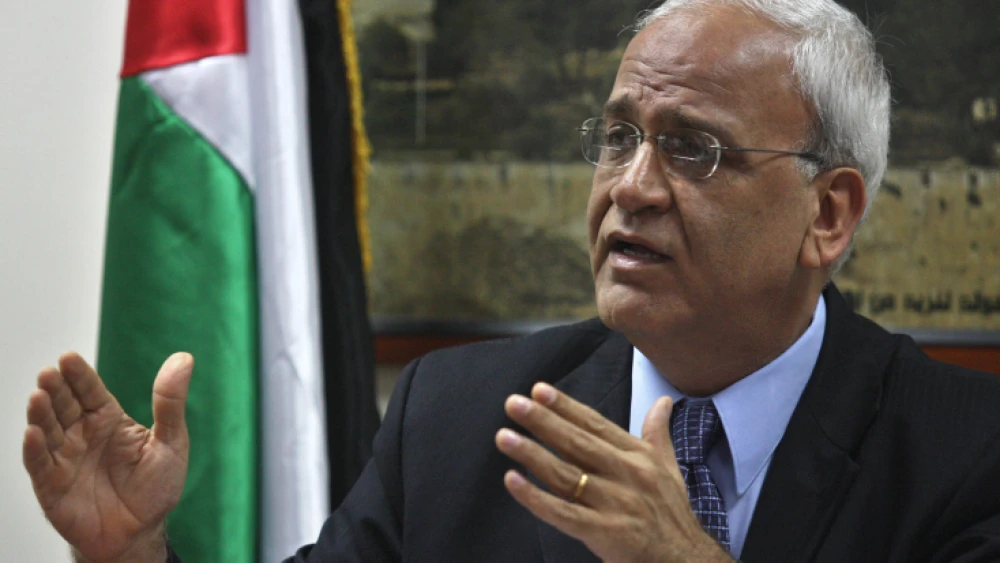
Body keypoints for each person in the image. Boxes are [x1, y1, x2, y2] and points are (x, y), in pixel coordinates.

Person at [23, 0, 1000, 561]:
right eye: (617, 137)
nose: (630, 187)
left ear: (826, 214)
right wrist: (132, 552)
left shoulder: (966, 455)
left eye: (692, 149)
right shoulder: (456, 414)